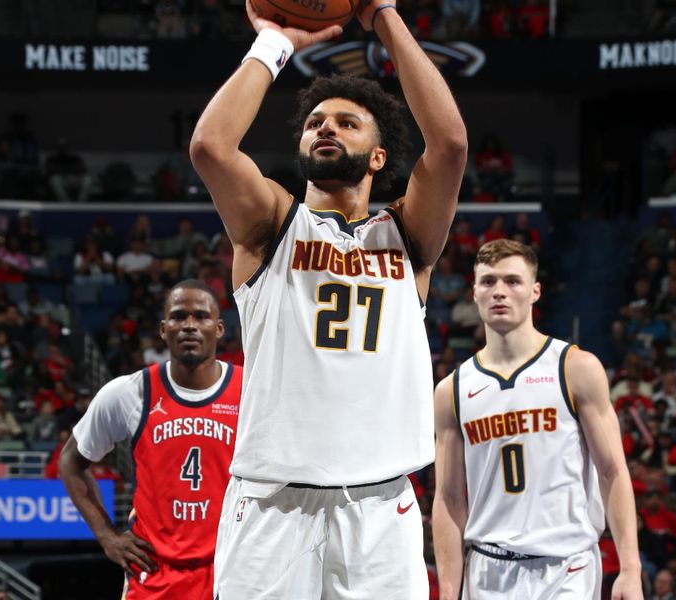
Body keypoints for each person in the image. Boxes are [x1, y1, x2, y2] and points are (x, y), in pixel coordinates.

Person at [190, 0, 467, 596]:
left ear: (377, 156)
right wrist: (272, 43)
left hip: (380, 503)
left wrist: (384, 15)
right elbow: (212, 146)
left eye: (346, 122)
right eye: (316, 121)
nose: (325, 128)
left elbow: (448, 145)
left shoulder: (406, 239)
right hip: (272, 501)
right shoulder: (271, 225)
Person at [432, 239, 642, 600]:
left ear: (535, 291)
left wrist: (630, 569)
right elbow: (449, 498)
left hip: (566, 565)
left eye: (512, 281)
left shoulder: (576, 368)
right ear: (474, 293)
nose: (499, 291)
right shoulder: (452, 389)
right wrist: (449, 590)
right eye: (488, 281)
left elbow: (612, 471)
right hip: (487, 570)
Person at [59, 280, 242, 600]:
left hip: (230, 570)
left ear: (220, 327)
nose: (189, 326)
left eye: (201, 317)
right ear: (162, 329)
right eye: (178, 316)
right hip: (155, 573)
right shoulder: (129, 392)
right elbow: (71, 461)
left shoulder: (251, 389)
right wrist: (106, 535)